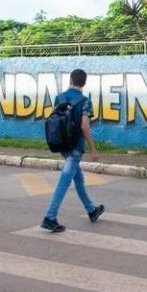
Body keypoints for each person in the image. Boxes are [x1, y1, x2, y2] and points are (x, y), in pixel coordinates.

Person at [41, 69, 104, 232]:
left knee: (79, 180)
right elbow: (84, 126)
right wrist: (93, 149)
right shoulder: (85, 101)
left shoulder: (59, 98)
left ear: (70, 79)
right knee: (64, 182)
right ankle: (50, 217)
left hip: (63, 146)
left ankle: (91, 211)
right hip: (76, 147)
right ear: (84, 83)